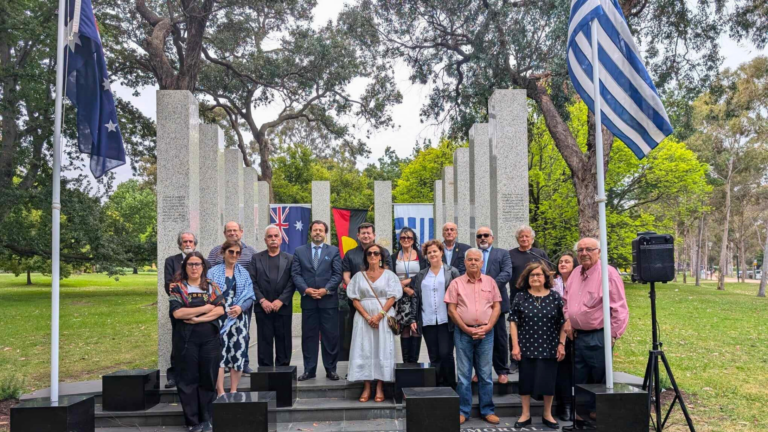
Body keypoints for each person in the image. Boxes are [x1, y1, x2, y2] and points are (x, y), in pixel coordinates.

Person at [563, 238, 630, 422]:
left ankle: (597, 413)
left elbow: (619, 308)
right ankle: (581, 414)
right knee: (579, 376)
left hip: (599, 335)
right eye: (580, 250)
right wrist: (568, 319)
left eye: (589, 249)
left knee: (599, 376)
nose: (584, 253)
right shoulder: (575, 272)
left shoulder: (608, 274)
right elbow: (566, 300)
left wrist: (613, 335)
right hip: (577, 336)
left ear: (599, 252)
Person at [168, 252, 225, 432]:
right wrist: (207, 307)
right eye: (191, 264)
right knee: (187, 380)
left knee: (208, 377)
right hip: (186, 341)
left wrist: (198, 318)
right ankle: (192, 421)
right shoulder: (177, 288)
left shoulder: (212, 286)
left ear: (203, 266)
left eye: (198, 264)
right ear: (185, 267)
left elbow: (221, 310)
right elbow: (178, 313)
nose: (194, 267)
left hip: (209, 340)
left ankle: (206, 418)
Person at [445, 248, 502, 425]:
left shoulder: (490, 282)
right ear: (465, 262)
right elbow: (451, 309)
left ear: (482, 262)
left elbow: (496, 307)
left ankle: (487, 410)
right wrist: (466, 329)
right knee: (463, 375)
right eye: (470, 259)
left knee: (485, 374)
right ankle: (463, 410)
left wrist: (488, 326)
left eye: (476, 259)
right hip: (463, 333)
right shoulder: (456, 283)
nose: (473, 262)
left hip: (486, 332)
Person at [509, 262, 566, 430]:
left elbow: (563, 322)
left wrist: (561, 344)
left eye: (538, 275)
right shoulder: (520, 297)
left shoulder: (555, 297)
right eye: (532, 275)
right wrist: (515, 346)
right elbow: (513, 322)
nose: (535, 277)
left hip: (550, 345)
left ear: (545, 277)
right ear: (527, 278)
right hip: (526, 346)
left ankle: (547, 414)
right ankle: (525, 414)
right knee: (526, 381)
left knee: (548, 381)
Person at [346, 243, 403, 402]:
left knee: (382, 349)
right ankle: (366, 386)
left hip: (383, 316)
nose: (372, 256)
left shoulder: (389, 275)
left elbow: (393, 297)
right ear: (366, 257)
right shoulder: (358, 276)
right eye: (369, 253)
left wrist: (379, 315)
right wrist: (367, 316)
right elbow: (354, 299)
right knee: (365, 349)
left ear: (381, 257)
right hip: (364, 318)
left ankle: (379, 386)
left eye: (376, 253)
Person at [292, 220, 343, 381]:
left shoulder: (333, 251)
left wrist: (326, 289)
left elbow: (337, 274)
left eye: (321, 230)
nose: (318, 233)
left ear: (325, 233)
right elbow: (296, 274)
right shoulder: (300, 251)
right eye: (315, 230)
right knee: (309, 337)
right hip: (308, 301)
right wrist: (305, 290)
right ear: (310, 232)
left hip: (328, 301)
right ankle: (309, 370)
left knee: (330, 336)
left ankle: (331, 369)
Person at [207, 221, 258, 373]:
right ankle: (223, 365)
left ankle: (243, 363)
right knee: (220, 337)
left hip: (241, 303)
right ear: (225, 233)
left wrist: (241, 307)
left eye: (235, 230)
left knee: (242, 336)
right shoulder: (215, 252)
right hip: (219, 307)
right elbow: (208, 275)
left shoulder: (251, 251)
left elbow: (252, 280)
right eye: (229, 230)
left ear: (241, 232)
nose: (232, 233)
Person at [409, 240, 460, 388]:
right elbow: (416, 297)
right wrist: (413, 318)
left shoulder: (452, 271)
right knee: (434, 356)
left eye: (435, 251)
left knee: (446, 354)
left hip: (447, 319)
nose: (432, 254)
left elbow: (459, 295)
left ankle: (450, 386)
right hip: (427, 320)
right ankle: (437, 387)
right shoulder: (421, 275)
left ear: (441, 252)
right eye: (429, 252)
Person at [341, 222, 391, 358]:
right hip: (356, 302)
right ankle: (357, 368)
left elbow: (387, 275)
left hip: (379, 301)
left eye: (369, 233)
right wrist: (356, 293)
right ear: (358, 235)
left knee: (380, 335)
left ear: (374, 235)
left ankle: (380, 368)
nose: (366, 235)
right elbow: (346, 276)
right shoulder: (350, 254)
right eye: (363, 233)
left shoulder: (383, 252)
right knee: (357, 335)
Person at [248, 225, 295, 367]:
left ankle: (283, 372)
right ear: (265, 240)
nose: (273, 239)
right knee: (264, 341)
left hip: (283, 307)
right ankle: (265, 373)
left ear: (281, 240)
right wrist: (262, 300)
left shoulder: (290, 259)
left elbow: (293, 282)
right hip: (263, 308)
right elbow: (252, 281)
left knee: (284, 341)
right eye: (270, 236)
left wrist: (281, 300)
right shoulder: (256, 258)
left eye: (276, 236)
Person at [163, 231, 201, 389]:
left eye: (190, 241)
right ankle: (175, 376)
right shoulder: (171, 261)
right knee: (178, 342)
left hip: (199, 308)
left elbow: (205, 282)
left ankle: (197, 374)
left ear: (195, 244)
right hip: (179, 307)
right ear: (180, 244)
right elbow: (169, 285)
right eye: (184, 241)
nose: (187, 244)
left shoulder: (201, 261)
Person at [474, 226, 513, 382]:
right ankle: (479, 371)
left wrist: (487, 286)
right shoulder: (473, 255)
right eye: (479, 236)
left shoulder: (502, 254)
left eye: (486, 235)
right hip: (475, 303)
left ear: (492, 238)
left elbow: (507, 273)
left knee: (499, 338)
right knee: (477, 339)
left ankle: (502, 371)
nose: (483, 238)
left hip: (496, 301)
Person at [390, 226, 427, 363]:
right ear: (399, 240)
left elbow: (424, 273)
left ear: (413, 240)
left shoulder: (421, 256)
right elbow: (391, 276)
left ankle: (414, 362)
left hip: (417, 295)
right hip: (401, 296)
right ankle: (406, 363)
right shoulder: (394, 256)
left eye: (409, 237)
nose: (406, 240)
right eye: (403, 238)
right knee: (404, 328)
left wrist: (409, 282)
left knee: (416, 327)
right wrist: (405, 289)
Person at [553, 251, 577, 421]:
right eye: (560, 261)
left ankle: (577, 405)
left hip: (577, 328)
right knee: (562, 367)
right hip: (556, 328)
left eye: (567, 261)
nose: (562, 264)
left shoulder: (579, 280)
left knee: (575, 368)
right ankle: (565, 404)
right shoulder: (553, 282)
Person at [508, 225, 551, 293]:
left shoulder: (540, 253)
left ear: (532, 239)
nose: (524, 239)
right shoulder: (510, 254)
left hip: (538, 292)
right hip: (517, 292)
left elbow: (548, 272)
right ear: (517, 239)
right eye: (521, 236)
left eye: (527, 236)